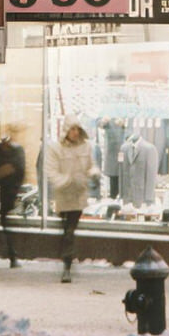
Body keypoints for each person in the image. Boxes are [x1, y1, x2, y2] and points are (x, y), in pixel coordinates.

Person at [45, 119, 93, 282]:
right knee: (67, 230)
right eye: (72, 129)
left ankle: (67, 265)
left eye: (77, 129)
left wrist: (93, 174)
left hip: (78, 195)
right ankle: (66, 258)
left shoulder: (86, 147)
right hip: (64, 196)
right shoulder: (55, 148)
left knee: (69, 230)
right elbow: (51, 171)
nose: (75, 132)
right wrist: (67, 180)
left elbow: (90, 166)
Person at [0, 123, 25, 267]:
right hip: (3, 191)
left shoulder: (17, 151)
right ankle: (10, 253)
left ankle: (11, 253)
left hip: (11, 191)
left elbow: (10, 169)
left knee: (4, 220)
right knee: (3, 220)